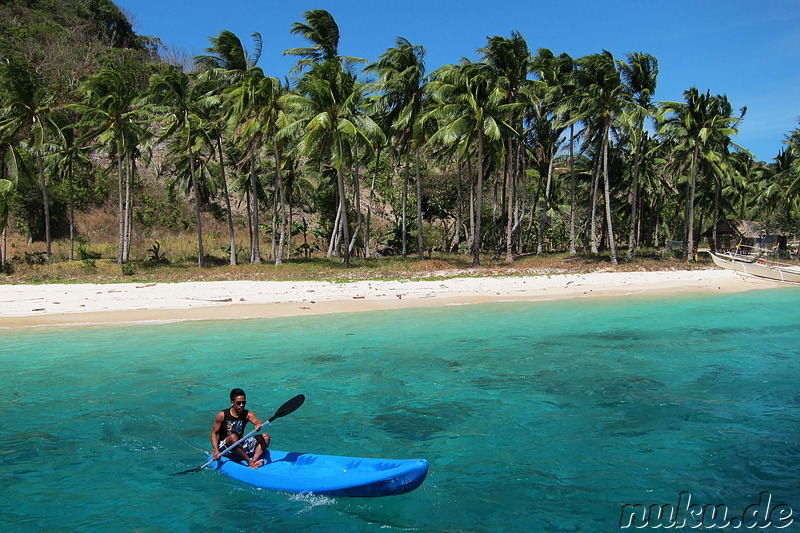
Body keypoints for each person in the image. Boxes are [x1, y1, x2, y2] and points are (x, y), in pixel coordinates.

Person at [211, 388, 270, 469]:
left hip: (239, 444)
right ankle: (249, 463)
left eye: (243, 403)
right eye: (239, 403)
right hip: (225, 448)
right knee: (233, 437)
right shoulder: (222, 415)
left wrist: (258, 424)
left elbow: (255, 420)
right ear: (232, 403)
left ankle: (253, 461)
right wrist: (216, 450)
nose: (241, 405)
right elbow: (214, 433)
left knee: (266, 437)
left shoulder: (247, 414)